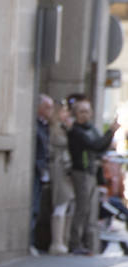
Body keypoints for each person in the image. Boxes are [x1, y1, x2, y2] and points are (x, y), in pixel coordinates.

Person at [67, 99, 119, 255]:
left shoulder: (90, 129)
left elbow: (100, 146)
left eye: (87, 111)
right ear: (76, 114)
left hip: (91, 172)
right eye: (81, 111)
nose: (85, 115)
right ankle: (75, 243)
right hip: (81, 172)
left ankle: (87, 243)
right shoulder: (76, 131)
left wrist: (110, 134)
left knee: (90, 209)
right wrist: (110, 131)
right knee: (82, 208)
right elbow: (94, 145)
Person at [48, 100, 75, 254]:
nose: (67, 114)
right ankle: (57, 242)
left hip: (66, 169)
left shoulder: (63, 128)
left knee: (67, 204)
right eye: (64, 111)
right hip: (59, 169)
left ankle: (64, 240)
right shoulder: (54, 129)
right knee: (61, 202)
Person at [33, 94, 53, 255]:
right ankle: (31, 241)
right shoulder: (36, 126)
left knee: (37, 207)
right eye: (47, 107)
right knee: (34, 206)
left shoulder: (46, 126)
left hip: (42, 172)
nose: (50, 111)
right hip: (36, 171)